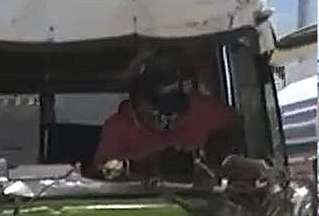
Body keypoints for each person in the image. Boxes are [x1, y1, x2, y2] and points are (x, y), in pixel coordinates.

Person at [93, 56, 238, 177]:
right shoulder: (118, 128)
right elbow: (103, 173)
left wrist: (217, 154)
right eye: (160, 111)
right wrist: (139, 165)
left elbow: (245, 144)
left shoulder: (210, 112)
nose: (171, 119)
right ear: (140, 100)